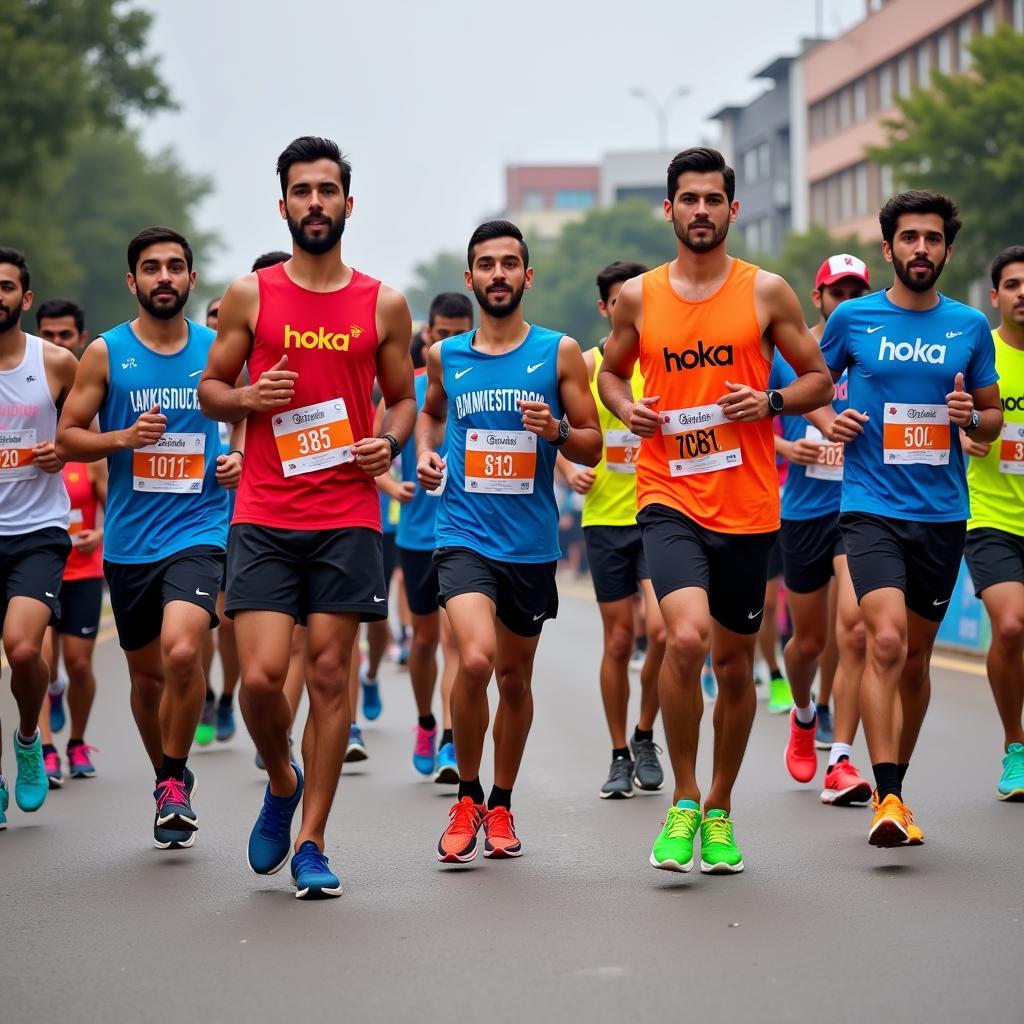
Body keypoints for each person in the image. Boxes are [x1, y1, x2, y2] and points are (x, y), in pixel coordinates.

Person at [598, 147, 833, 874]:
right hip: (667, 494)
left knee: (734, 670)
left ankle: (720, 807)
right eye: (688, 199)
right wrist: (626, 406)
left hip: (750, 505)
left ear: (733, 209)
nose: (701, 210)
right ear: (668, 210)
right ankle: (683, 797)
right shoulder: (637, 296)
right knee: (685, 638)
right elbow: (609, 370)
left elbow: (820, 380)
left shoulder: (767, 293)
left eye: (713, 199)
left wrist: (769, 402)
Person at [199, 136, 416, 899]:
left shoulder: (382, 302)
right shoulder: (252, 295)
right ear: (283, 203)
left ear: (347, 204)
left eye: (328, 190)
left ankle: (315, 842)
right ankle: (282, 779)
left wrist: (384, 442)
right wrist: (247, 400)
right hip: (263, 512)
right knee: (259, 678)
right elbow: (210, 388)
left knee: (329, 674)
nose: (315, 203)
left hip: (347, 515)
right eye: (302, 191)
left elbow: (402, 398)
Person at [818, 191, 1001, 847]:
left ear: (946, 249)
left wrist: (970, 421)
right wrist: (824, 420)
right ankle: (887, 795)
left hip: (943, 512)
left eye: (932, 239)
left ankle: (899, 782)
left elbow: (991, 414)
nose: (920, 249)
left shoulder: (970, 326)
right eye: (909, 238)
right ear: (888, 247)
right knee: (886, 640)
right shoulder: (855, 319)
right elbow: (811, 378)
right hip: (870, 508)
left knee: (917, 661)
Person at [418, 219, 601, 863]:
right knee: (473, 660)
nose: (498, 274)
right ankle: (466, 795)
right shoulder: (447, 355)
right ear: (470, 280)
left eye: (509, 263)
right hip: (463, 533)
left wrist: (555, 431)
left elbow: (592, 442)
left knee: (514, 679)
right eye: (486, 265)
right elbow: (431, 410)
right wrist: (424, 453)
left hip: (529, 544)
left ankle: (501, 803)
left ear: (528, 275)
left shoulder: (559, 353)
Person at [57, 226, 243, 850]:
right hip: (131, 540)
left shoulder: (220, 351)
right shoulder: (107, 354)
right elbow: (67, 437)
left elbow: (247, 418)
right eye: (151, 268)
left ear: (192, 279)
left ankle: (172, 782)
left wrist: (237, 457)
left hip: (200, 528)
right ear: (132, 282)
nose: (164, 277)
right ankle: (169, 775)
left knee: (184, 652)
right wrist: (121, 441)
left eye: (175, 267)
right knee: (146, 680)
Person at [556, 259, 667, 800]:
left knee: (665, 630)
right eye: (619, 301)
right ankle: (620, 751)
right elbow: (560, 429)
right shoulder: (588, 363)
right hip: (604, 518)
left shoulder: (665, 360)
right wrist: (567, 467)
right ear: (606, 308)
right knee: (620, 639)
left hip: (659, 512)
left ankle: (647, 732)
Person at [772, 254, 874, 806]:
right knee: (808, 641)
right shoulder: (791, 355)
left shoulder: (876, 356)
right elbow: (747, 419)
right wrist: (789, 446)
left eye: (858, 291)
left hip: (860, 507)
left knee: (854, 628)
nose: (849, 301)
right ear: (819, 298)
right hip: (803, 510)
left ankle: (841, 757)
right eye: (839, 292)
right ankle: (804, 710)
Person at [0, 247, 78, 829]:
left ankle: (30, 735)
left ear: (24, 298)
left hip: (37, 532)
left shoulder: (54, 363)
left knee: (24, 650)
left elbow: (86, 432)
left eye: (6, 287)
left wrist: (65, 447)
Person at [387, 291, 472, 779]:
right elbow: (376, 444)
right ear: (428, 335)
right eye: (444, 333)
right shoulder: (414, 389)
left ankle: (450, 740)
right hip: (419, 533)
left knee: (455, 640)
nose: (453, 341)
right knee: (423, 643)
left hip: (466, 532)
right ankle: (425, 722)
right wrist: (389, 481)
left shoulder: (490, 379)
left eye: (462, 332)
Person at [962, 245, 1024, 801]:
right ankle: (1015, 746)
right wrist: (967, 436)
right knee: (1010, 626)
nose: (1023, 293)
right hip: (991, 516)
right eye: (1013, 284)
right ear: (996, 296)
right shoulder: (983, 353)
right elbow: (958, 419)